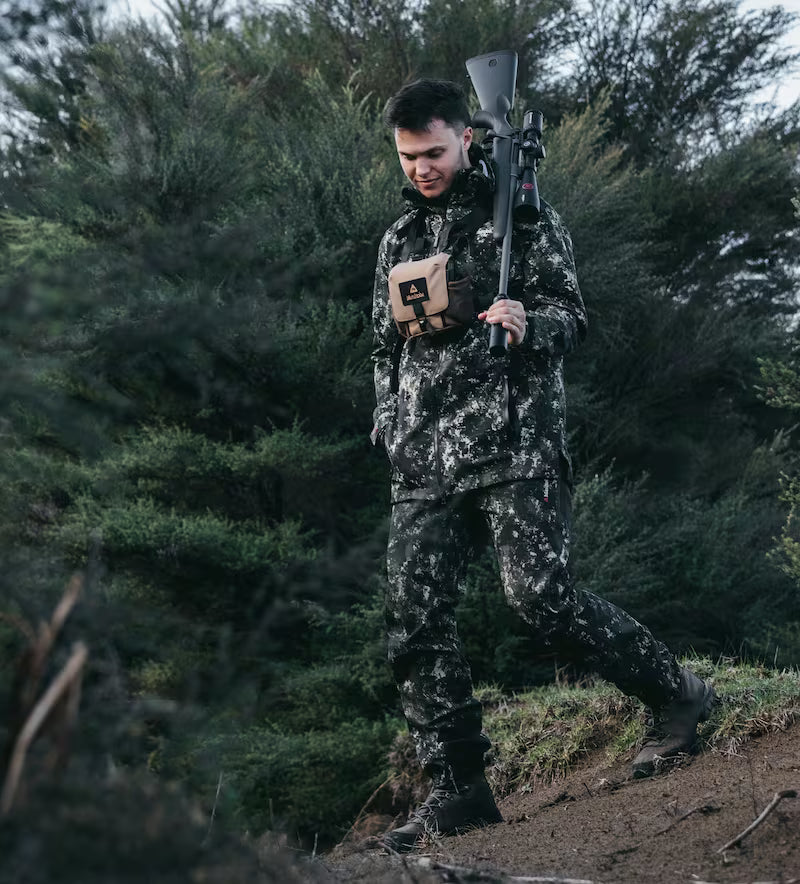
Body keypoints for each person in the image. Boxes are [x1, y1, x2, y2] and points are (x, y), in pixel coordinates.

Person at [370, 78, 716, 854]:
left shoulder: (521, 218)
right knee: (412, 623)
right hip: (423, 460)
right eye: (408, 156)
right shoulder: (398, 240)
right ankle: (459, 787)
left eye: (433, 152)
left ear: (466, 138)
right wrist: (386, 422)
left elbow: (571, 312)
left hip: (514, 444)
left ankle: (677, 695)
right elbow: (383, 347)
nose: (421, 167)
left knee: (542, 602)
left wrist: (527, 322)